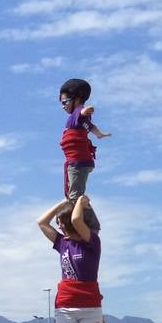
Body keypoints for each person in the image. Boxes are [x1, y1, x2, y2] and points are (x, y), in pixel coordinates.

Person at [38, 194, 103, 323]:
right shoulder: (62, 243)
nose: (58, 225)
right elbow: (42, 222)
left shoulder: (92, 242)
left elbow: (75, 218)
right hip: (65, 305)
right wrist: (62, 203)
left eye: (60, 221)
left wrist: (80, 203)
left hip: (90, 305)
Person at [58, 77, 108, 231]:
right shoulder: (80, 119)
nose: (63, 106)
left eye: (65, 102)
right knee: (73, 194)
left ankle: (89, 224)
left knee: (75, 196)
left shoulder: (78, 113)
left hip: (78, 162)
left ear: (77, 99)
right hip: (78, 161)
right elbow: (90, 125)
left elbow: (82, 112)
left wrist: (86, 109)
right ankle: (78, 220)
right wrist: (99, 134)